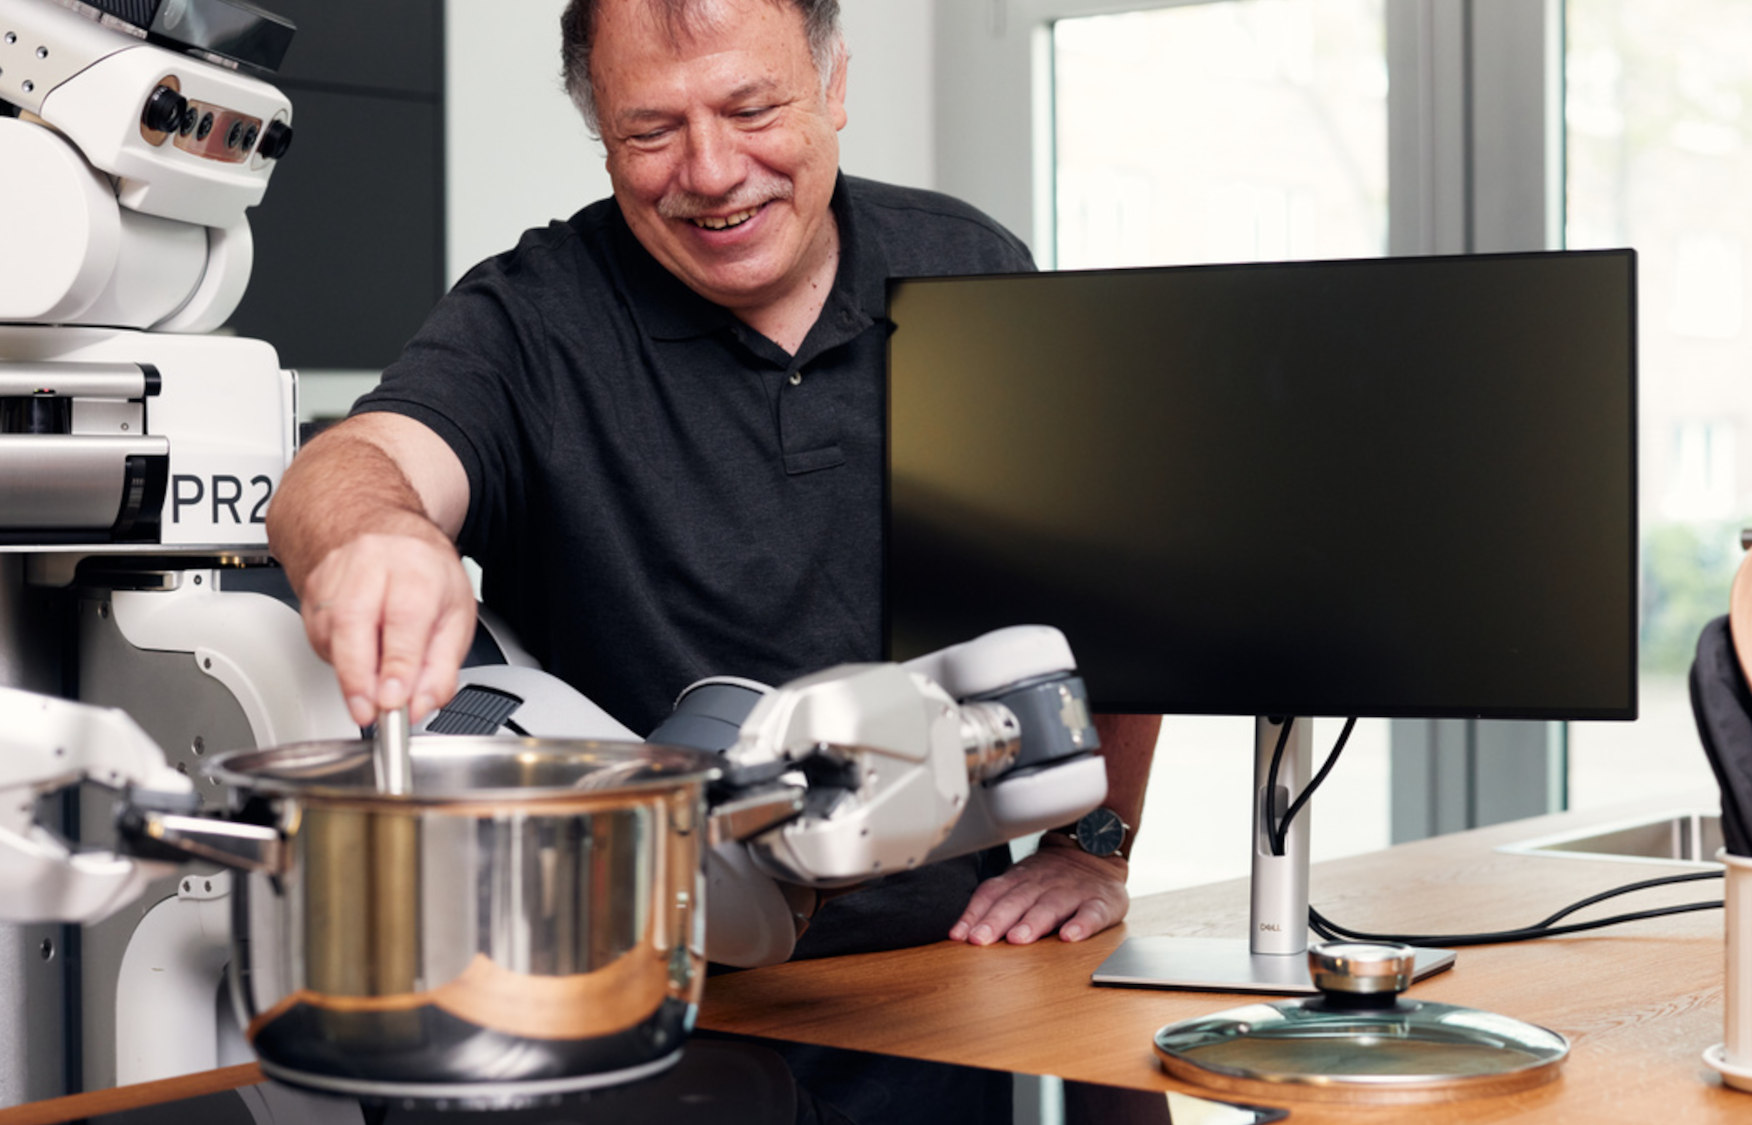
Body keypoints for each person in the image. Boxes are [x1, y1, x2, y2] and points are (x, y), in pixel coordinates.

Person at [266, 0, 1160, 957]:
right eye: (651, 130)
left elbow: (1115, 582)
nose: (712, 172)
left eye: (752, 110)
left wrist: (1093, 844)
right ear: (601, 133)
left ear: (834, 85)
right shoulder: (529, 320)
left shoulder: (971, 269)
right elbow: (356, 464)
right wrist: (376, 535)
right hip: (635, 980)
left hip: (947, 979)